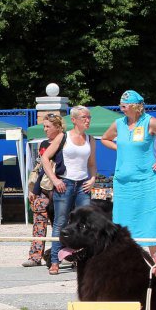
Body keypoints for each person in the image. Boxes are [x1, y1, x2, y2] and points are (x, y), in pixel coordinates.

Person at [101, 90, 156, 256]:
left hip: (146, 180)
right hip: (123, 181)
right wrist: (119, 148)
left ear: (135, 106)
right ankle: (124, 256)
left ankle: (154, 258)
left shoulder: (149, 122)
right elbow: (105, 139)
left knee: (150, 217)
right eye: (121, 105)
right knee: (123, 218)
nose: (122, 108)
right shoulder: (118, 123)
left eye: (125, 105)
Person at [42, 106, 98, 274]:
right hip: (65, 183)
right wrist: (55, 179)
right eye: (84, 117)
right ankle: (54, 261)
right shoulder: (63, 136)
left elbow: (92, 164)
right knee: (60, 222)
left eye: (89, 117)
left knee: (84, 223)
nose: (87, 120)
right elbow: (45, 158)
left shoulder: (90, 139)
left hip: (83, 185)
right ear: (74, 120)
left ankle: (80, 259)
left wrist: (93, 179)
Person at [22, 113, 63, 267]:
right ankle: (35, 257)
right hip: (44, 189)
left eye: (48, 126)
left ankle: (62, 255)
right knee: (39, 223)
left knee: (61, 225)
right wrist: (34, 190)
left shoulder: (66, 142)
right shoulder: (44, 144)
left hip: (61, 189)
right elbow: (41, 170)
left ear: (57, 127)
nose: (45, 129)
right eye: (44, 126)